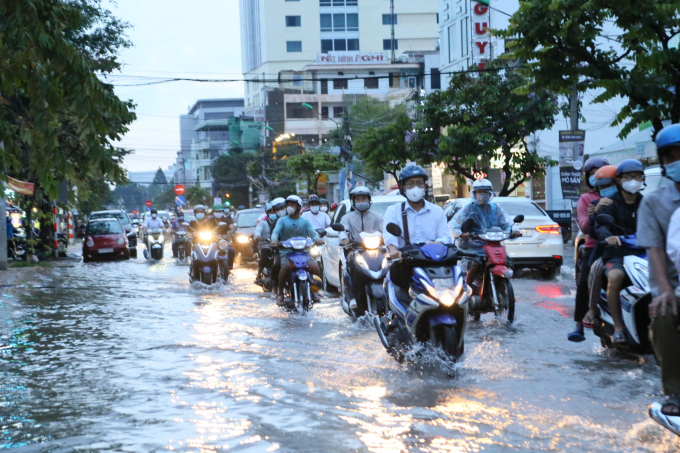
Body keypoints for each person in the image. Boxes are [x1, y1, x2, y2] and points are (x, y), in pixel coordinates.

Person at [637, 123, 680, 417]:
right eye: (672, 156)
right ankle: (676, 391)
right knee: (663, 315)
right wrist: (665, 290)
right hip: (674, 285)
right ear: (664, 163)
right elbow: (655, 249)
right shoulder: (654, 202)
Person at [590, 159, 645, 344]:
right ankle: (619, 327)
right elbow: (600, 227)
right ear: (619, 180)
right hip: (616, 253)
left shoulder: (648, 204)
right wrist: (609, 237)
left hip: (645, 253)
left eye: (637, 176)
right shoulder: (609, 204)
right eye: (628, 177)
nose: (633, 180)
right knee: (615, 278)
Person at [383, 164, 452, 291]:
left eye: (420, 183)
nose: (416, 187)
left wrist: (435, 243)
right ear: (403, 187)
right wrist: (393, 250)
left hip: (434, 264)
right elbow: (389, 236)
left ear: (425, 185)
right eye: (410, 183)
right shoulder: (393, 211)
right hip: (406, 263)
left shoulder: (437, 211)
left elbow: (447, 237)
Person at [568, 157, 610, 342]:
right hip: (595, 245)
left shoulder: (620, 195)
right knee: (585, 280)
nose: (598, 178)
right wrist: (595, 214)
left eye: (601, 174)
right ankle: (579, 323)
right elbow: (585, 226)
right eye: (593, 175)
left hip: (623, 245)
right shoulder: (587, 199)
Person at [449, 179, 521, 286]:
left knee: (508, 262)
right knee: (476, 265)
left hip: (494, 246)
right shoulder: (468, 209)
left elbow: (507, 222)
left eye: (485, 192)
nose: (482, 194)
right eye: (479, 192)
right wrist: (462, 234)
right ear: (474, 193)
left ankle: (502, 288)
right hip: (473, 248)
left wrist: (514, 231)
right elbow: (453, 226)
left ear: (490, 193)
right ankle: (466, 290)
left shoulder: (496, 209)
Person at [270, 195, 325, 306]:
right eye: (288, 205)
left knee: (315, 267)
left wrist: (317, 240)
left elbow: (313, 233)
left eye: (292, 205)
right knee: (285, 267)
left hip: (304, 252)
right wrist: (274, 241)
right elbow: (275, 232)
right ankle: (280, 293)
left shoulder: (305, 221)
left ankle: (315, 290)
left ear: (299, 207)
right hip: (287, 252)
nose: (290, 207)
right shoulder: (282, 221)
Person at [340, 186, 385, 310]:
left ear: (369, 200)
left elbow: (385, 230)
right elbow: (343, 230)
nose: (361, 202)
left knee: (390, 264)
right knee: (350, 267)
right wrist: (344, 239)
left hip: (377, 250)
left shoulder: (377, 216)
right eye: (358, 199)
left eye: (364, 198)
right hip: (354, 249)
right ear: (353, 201)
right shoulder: (347, 218)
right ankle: (352, 297)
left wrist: (388, 237)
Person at [254, 202, 277, 286]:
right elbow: (257, 230)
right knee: (265, 255)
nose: (273, 214)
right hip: (265, 244)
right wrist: (258, 236)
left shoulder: (280, 222)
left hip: (277, 244)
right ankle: (259, 274)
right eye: (271, 212)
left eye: (274, 212)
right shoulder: (263, 223)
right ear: (267, 213)